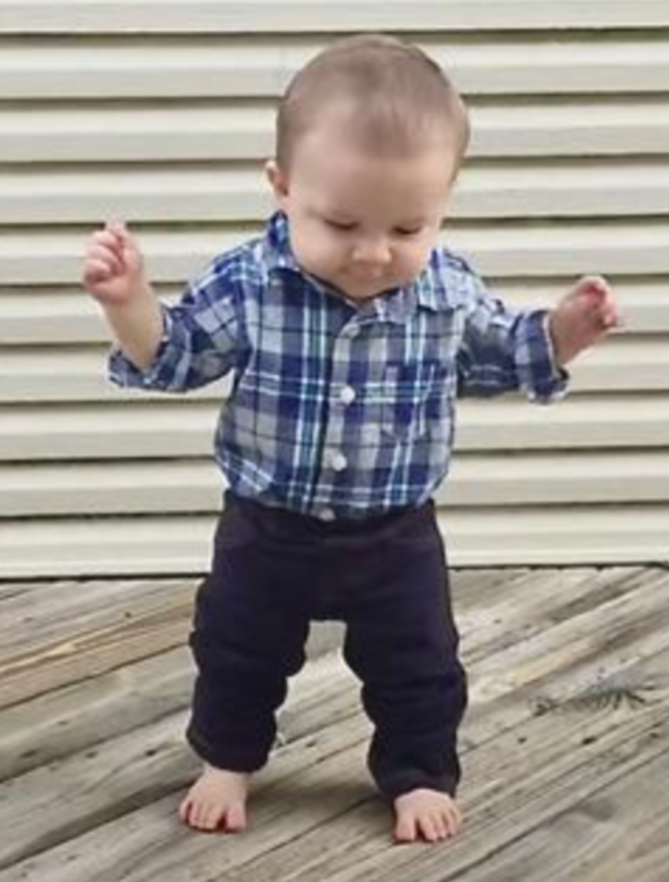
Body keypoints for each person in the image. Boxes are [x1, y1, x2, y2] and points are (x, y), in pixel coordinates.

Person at [82, 34, 619, 844]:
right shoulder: (249, 282)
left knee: (422, 663)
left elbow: (504, 354)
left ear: (444, 202)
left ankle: (419, 770)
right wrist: (128, 303)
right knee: (235, 648)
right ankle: (228, 759)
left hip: (395, 535)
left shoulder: (445, 289)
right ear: (281, 187)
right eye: (340, 222)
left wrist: (566, 332)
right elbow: (175, 355)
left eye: (408, 225)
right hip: (267, 526)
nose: (373, 253)